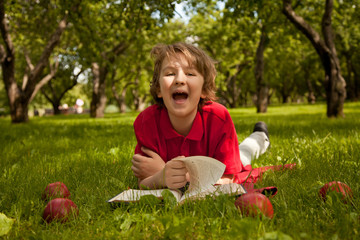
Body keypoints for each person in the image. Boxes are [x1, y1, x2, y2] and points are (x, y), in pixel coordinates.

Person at [131, 42, 270, 190]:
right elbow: (143, 179)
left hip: (224, 162)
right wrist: (160, 177)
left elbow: (228, 178)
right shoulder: (146, 122)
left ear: (204, 90)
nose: (179, 79)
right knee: (244, 150)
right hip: (209, 172)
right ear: (159, 89)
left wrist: (178, 175)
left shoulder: (219, 117)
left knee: (245, 152)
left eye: (190, 74)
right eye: (170, 73)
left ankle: (261, 136)